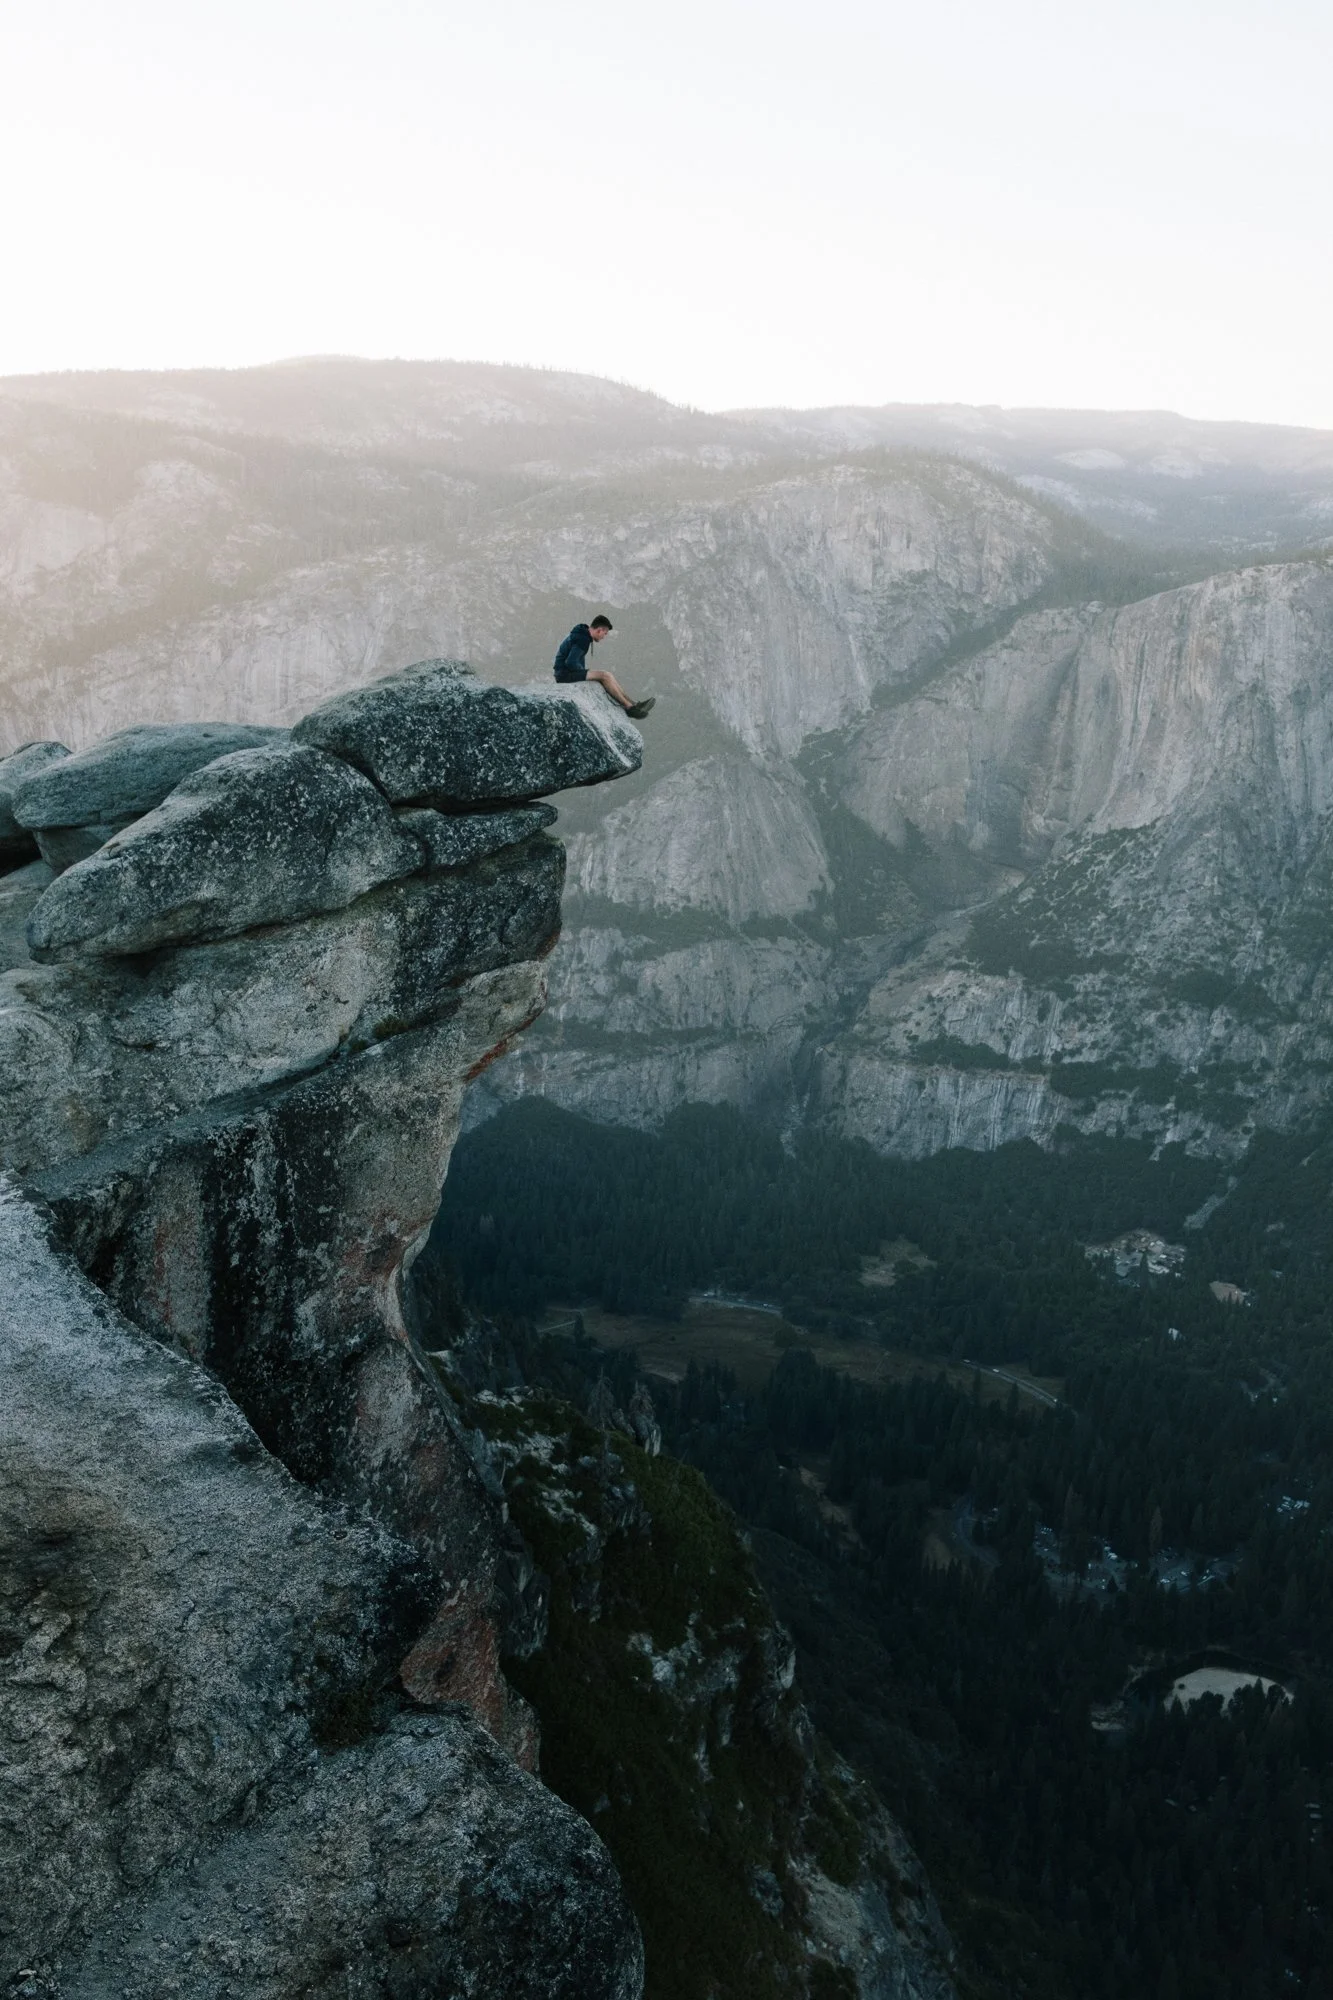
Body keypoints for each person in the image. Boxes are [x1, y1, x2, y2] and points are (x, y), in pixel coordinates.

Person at [552, 615, 654, 718]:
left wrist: (586, 673)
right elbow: (571, 662)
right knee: (604, 676)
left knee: (607, 674)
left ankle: (634, 704)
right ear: (599, 630)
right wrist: (584, 672)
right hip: (564, 675)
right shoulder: (583, 639)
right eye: (604, 634)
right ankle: (629, 707)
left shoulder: (582, 634)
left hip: (564, 672)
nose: (603, 637)